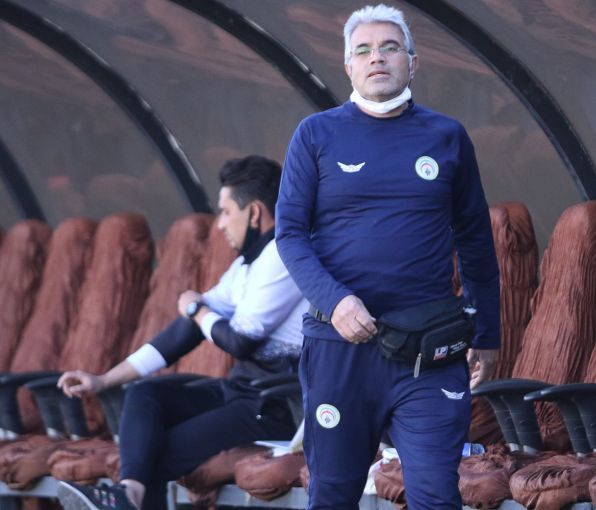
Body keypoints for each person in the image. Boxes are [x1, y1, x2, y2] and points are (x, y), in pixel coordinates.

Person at [275, 4, 500, 509]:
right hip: (339, 349)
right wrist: (335, 301)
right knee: (332, 495)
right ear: (348, 66)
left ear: (412, 63)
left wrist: (488, 333)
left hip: (428, 351)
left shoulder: (447, 136)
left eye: (389, 47)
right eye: (363, 50)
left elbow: (475, 239)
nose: (376, 57)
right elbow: (289, 234)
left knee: (436, 495)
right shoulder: (315, 134)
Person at [57, 155, 308, 510]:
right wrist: (103, 380)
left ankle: (128, 496)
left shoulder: (285, 255)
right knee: (145, 394)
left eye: (225, 212)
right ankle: (128, 495)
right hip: (242, 392)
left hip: (277, 404)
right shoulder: (246, 265)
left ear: (253, 212)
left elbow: (239, 340)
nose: (220, 224)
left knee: (152, 455)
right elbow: (187, 331)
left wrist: (196, 309)